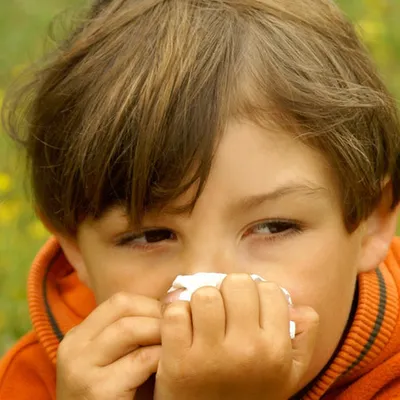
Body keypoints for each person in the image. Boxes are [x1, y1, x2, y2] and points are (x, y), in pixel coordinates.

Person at [1, 0, 400, 398]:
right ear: (75, 250)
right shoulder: (37, 382)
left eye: (272, 227)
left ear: (371, 222)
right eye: (152, 236)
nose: (209, 291)